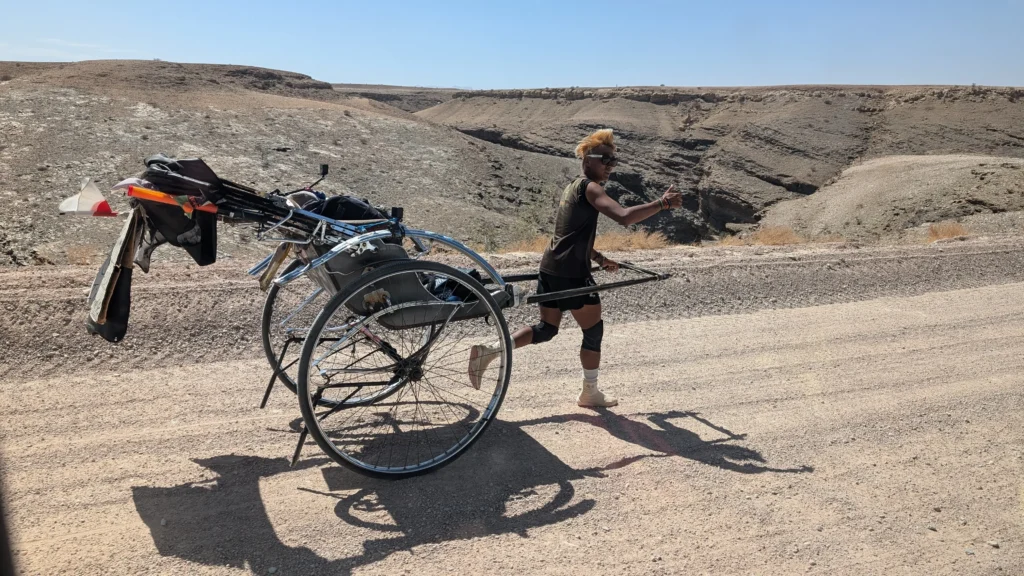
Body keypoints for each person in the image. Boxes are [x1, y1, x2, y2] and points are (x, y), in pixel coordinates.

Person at [469, 128, 682, 407]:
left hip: (551, 267)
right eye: (604, 159)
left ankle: (491, 351)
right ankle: (589, 393)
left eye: (613, 161)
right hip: (572, 274)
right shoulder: (592, 188)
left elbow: (569, 234)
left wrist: (599, 258)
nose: (610, 166)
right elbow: (624, 217)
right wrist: (662, 203)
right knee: (593, 332)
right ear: (587, 161)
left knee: (547, 329)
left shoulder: (572, 186)